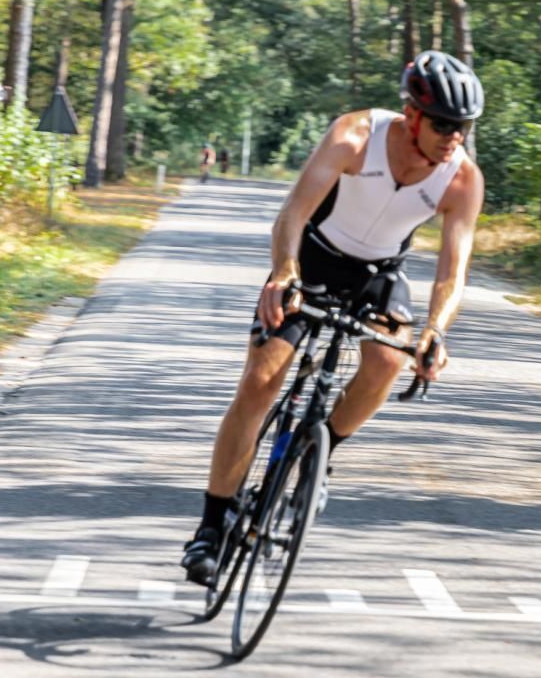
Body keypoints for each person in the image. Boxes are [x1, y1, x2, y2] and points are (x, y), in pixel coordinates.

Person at [181, 51, 485, 585]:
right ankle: (212, 523)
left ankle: (319, 458)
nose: (452, 138)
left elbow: (451, 273)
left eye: (462, 128)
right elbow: (294, 212)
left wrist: (436, 329)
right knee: (259, 381)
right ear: (411, 113)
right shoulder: (355, 136)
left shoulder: (461, 180)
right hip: (314, 258)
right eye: (442, 125)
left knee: (390, 362)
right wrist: (283, 272)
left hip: (378, 272)